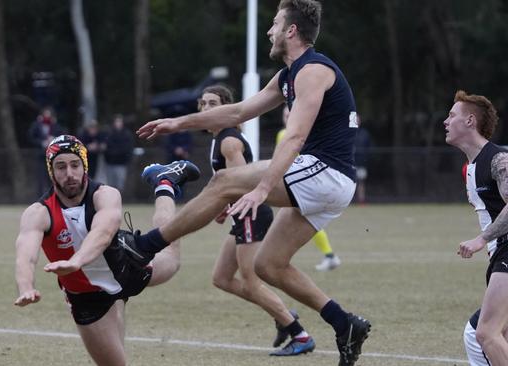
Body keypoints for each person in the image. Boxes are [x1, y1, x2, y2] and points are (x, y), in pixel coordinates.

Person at [136, 1, 371, 365]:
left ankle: (145, 246)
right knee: (268, 266)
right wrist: (176, 122)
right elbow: (238, 112)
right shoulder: (289, 74)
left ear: (291, 31)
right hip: (328, 183)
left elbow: (294, 138)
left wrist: (260, 189)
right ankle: (345, 324)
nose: (269, 31)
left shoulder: (313, 70)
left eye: (275, 23)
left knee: (226, 179)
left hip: (325, 171)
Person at [13, 134, 200, 366]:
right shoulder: (38, 212)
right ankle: (164, 182)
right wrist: (26, 287)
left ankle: (164, 183)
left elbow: (102, 233)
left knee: (172, 258)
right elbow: (26, 255)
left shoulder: (106, 194)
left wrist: (77, 261)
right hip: (88, 297)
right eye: (60, 167)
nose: (69, 173)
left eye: (75, 164)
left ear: (85, 165)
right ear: (51, 171)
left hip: (125, 265)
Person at [200, 85, 315, 355]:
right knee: (222, 278)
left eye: (213, 103)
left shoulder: (229, 141)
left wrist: (227, 205)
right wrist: (222, 205)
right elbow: (227, 181)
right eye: (203, 104)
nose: (207, 109)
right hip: (240, 214)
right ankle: (281, 311)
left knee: (251, 281)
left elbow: (241, 181)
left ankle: (299, 335)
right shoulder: (218, 139)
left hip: (250, 213)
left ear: (227, 108)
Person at [444, 90, 508, 366]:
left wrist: (481, 239)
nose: (445, 121)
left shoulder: (500, 159)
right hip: (506, 253)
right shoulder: (470, 167)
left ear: (470, 121)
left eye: (452, 115)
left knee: (487, 333)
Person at [276, 105, 341, 271]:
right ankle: (329, 255)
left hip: (301, 183)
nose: (287, 117)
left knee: (305, 219)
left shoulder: (297, 134)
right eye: (284, 114)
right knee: (304, 220)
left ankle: (329, 255)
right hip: (295, 181)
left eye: (289, 113)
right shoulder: (284, 134)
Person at [27, 106, 66, 196]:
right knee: (40, 178)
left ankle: (54, 196)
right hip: (40, 155)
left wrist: (53, 139)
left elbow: (62, 135)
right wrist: (41, 142)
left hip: (53, 155)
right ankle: (40, 197)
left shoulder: (55, 125)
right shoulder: (37, 125)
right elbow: (30, 136)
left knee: (52, 177)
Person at [104, 114, 134, 193]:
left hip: (121, 163)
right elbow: (107, 147)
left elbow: (127, 149)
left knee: (120, 185)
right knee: (111, 184)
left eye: (119, 121)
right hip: (110, 163)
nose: (118, 123)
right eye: (116, 121)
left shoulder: (126, 134)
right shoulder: (109, 133)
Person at [353, 115, 371, 205]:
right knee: (349, 182)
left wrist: (365, 158)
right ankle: (347, 201)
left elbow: (369, 147)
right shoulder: (348, 132)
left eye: (358, 120)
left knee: (361, 181)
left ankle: (361, 200)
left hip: (361, 162)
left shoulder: (364, 133)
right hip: (349, 162)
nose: (356, 121)